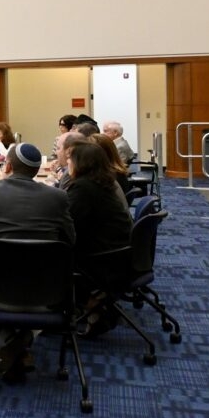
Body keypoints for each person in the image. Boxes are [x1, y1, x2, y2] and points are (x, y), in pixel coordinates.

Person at [0, 142, 75, 382]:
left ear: (7, 165)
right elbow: (70, 242)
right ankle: (22, 346)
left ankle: (13, 346)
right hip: (48, 293)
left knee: (2, 269)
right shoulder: (58, 197)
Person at [65, 141, 134, 338]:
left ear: (81, 163)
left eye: (70, 159)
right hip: (118, 252)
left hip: (101, 258)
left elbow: (67, 224)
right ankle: (95, 310)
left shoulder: (83, 187)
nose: (67, 163)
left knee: (44, 257)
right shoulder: (101, 182)